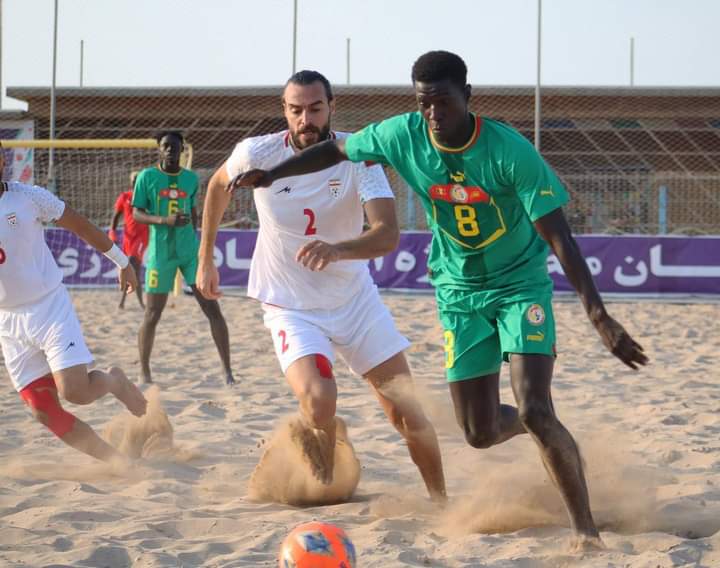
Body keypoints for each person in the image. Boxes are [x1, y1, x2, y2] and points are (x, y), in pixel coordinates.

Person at [227, 52, 649, 549]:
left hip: (519, 286)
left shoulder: (509, 151)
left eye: (443, 101)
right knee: (479, 431)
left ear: (467, 96)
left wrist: (598, 314)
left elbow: (559, 236)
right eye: (424, 102)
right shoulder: (402, 134)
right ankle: (543, 430)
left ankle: (586, 532)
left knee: (535, 407)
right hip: (458, 292)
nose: (433, 113)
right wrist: (274, 175)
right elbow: (338, 152)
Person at [197, 70, 446, 500]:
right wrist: (206, 260)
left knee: (409, 414)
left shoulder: (358, 155)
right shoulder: (256, 153)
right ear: (285, 112)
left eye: (315, 109)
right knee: (318, 398)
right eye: (296, 110)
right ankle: (327, 469)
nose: (305, 119)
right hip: (290, 304)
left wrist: (337, 249)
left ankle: (442, 504)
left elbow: (387, 234)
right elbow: (219, 185)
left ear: (332, 107)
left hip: (354, 301)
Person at [0, 148, 147, 463]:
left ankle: (113, 381)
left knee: (74, 392)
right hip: (8, 321)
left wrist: (122, 262)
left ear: (2, 162)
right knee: (44, 411)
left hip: (48, 307)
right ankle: (116, 463)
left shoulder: (28, 197)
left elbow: (81, 227)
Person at [132, 131, 235, 385]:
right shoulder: (147, 177)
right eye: (166, 146)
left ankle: (228, 372)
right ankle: (144, 372)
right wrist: (164, 220)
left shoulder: (190, 179)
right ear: (159, 149)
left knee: (211, 308)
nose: (170, 151)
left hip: (190, 254)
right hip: (160, 254)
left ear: (182, 150)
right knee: (152, 314)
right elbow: (136, 213)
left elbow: (195, 212)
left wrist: (202, 247)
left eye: (175, 147)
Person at [109, 171, 148, 309]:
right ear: (130, 182)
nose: (136, 182)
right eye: (134, 180)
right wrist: (112, 232)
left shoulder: (147, 197)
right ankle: (136, 303)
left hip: (142, 237)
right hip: (128, 237)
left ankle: (128, 301)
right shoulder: (125, 197)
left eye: (138, 180)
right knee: (129, 268)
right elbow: (116, 216)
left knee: (132, 265)